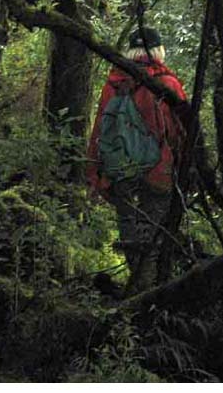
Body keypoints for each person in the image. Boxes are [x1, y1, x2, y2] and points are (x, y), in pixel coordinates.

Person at [86, 27, 188, 295]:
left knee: (131, 232)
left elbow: (100, 130)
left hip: (121, 171)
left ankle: (140, 288)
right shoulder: (168, 85)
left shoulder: (116, 83)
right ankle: (149, 293)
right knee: (153, 234)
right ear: (158, 51)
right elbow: (181, 131)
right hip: (159, 171)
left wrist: (94, 170)